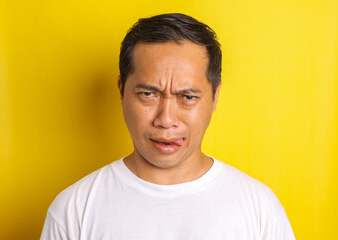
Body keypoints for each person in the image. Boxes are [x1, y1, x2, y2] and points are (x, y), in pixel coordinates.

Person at [41, 13, 295, 239]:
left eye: (187, 97)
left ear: (214, 97)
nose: (166, 119)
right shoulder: (73, 210)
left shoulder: (259, 208)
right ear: (122, 91)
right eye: (148, 94)